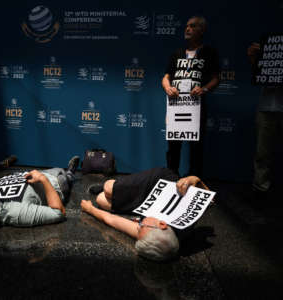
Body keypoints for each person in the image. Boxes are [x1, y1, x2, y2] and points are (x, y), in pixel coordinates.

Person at [82, 167, 210, 261]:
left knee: (100, 200)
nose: (138, 224)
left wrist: (90, 209)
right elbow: (203, 191)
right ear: (162, 224)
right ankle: (117, 185)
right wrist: (191, 179)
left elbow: (112, 220)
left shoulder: (150, 236)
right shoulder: (186, 224)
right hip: (157, 184)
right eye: (143, 225)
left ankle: (120, 192)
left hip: (147, 206)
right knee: (108, 187)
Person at [161, 16, 220, 176]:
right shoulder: (177, 53)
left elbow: (216, 78)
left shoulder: (209, 53)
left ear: (201, 30)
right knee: (173, 146)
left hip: (196, 106)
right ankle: (171, 178)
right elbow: (166, 76)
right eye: (186, 26)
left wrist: (204, 89)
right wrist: (167, 87)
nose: (188, 29)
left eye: (192, 26)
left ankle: (194, 180)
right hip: (176, 105)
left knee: (196, 147)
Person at [248, 0, 283, 200]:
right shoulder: (271, 43)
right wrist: (254, 59)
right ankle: (260, 188)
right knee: (262, 153)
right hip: (267, 106)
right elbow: (257, 74)